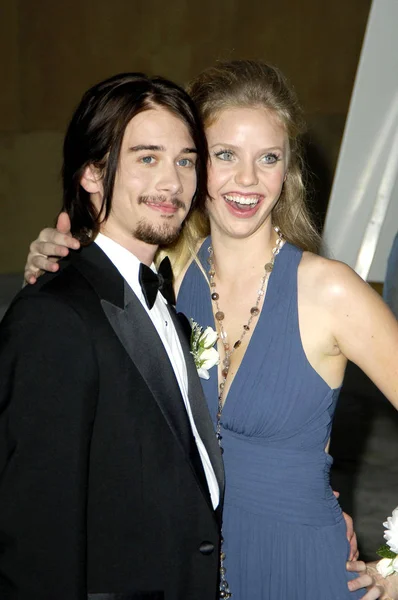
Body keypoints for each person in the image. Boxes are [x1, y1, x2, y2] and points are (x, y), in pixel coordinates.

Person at [23, 62, 398, 599]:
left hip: (300, 570)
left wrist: (397, 567)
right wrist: (51, 257)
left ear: (287, 171)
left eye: (268, 158)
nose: (247, 180)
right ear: (195, 167)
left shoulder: (328, 291)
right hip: (191, 573)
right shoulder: (170, 278)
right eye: (225, 155)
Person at [0, 73, 225, 599]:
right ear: (92, 173)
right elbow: (33, 535)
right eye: (147, 158)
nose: (172, 183)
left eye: (185, 160)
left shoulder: (168, 294)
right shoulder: (54, 318)